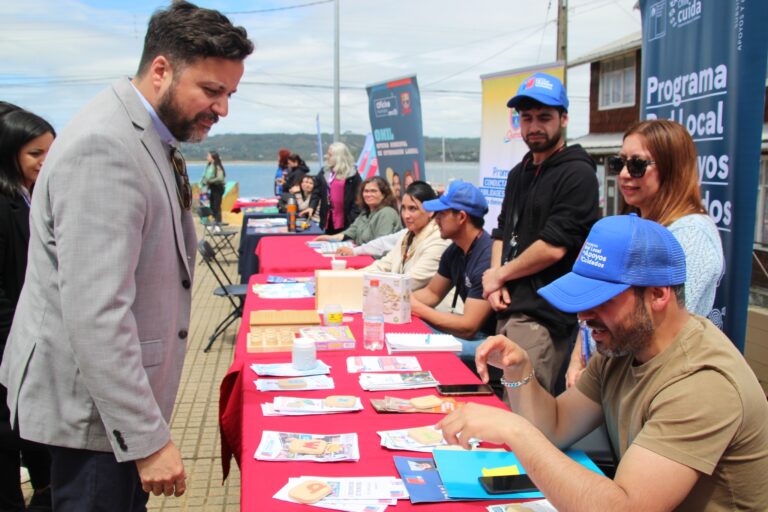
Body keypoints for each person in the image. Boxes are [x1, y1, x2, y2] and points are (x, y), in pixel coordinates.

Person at [0, 2, 253, 510]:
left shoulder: (144, 132)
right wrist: (148, 440)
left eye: (229, 94)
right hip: (95, 415)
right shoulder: (105, 145)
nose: (222, 109)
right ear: (161, 69)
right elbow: (96, 312)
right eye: (211, 90)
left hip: (111, 407)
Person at [439, 214, 768, 511]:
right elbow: (555, 426)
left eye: (601, 300)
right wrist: (519, 370)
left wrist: (515, 431)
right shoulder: (624, 346)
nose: (584, 315)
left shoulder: (703, 383)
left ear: (657, 294)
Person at [564, 119, 724, 388]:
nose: (624, 174)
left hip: (657, 390)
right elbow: (596, 303)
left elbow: (663, 330)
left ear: (673, 170)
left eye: (637, 165)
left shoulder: (692, 236)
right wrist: (578, 360)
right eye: (619, 163)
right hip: (607, 379)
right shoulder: (637, 226)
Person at [481, 72, 600, 393]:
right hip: (507, 311)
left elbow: (554, 247)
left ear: (564, 118)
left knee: (524, 414)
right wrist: (495, 279)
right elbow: (502, 231)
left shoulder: (578, 173)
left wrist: (499, 275)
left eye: (544, 117)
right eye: (526, 118)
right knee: (502, 404)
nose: (534, 126)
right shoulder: (520, 172)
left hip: (544, 319)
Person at [0, 109, 56, 511]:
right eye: (35, 153)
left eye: (50, 153)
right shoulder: (5, 205)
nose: (44, 162)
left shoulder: (31, 196)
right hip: (12, 351)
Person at [410, 180, 495, 355]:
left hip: (492, 340)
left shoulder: (487, 257)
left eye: (442, 213)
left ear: (462, 217)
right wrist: (400, 301)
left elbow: (468, 327)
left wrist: (416, 308)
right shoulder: (454, 250)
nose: (436, 220)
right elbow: (432, 293)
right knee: (413, 329)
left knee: (420, 341)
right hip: (474, 335)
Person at [360, 181, 450, 290]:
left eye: (413, 208)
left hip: (432, 306)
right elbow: (385, 264)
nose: (406, 215)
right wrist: (354, 274)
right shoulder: (408, 235)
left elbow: (411, 282)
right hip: (405, 300)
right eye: (403, 208)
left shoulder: (439, 240)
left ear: (430, 211)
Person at [314, 176, 401, 245]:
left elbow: (381, 246)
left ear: (384, 194)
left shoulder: (387, 213)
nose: (368, 194)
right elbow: (352, 230)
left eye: (373, 191)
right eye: (366, 191)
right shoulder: (365, 213)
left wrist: (355, 251)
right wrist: (330, 238)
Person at [311, 142, 362, 234]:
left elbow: (359, 198)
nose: (327, 157)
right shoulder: (324, 171)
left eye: (330, 155)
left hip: (346, 220)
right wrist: (311, 207)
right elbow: (316, 191)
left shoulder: (352, 174)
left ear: (338, 157)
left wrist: (353, 217)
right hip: (328, 218)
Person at [199, 150, 226, 224]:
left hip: (218, 187)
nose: (207, 157)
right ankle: (214, 221)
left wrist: (210, 180)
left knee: (216, 205)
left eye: (208, 156)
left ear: (213, 157)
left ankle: (218, 222)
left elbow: (220, 178)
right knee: (212, 205)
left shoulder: (217, 166)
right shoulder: (209, 166)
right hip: (212, 187)